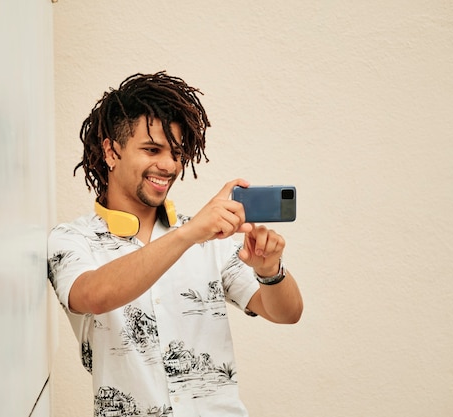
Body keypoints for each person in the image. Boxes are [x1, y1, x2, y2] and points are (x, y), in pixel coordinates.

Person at [48, 71, 303, 417]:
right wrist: (187, 234)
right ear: (112, 151)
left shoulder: (210, 238)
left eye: (177, 152)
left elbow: (287, 313)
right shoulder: (70, 240)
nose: (169, 165)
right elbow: (90, 295)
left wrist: (270, 271)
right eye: (152, 149)